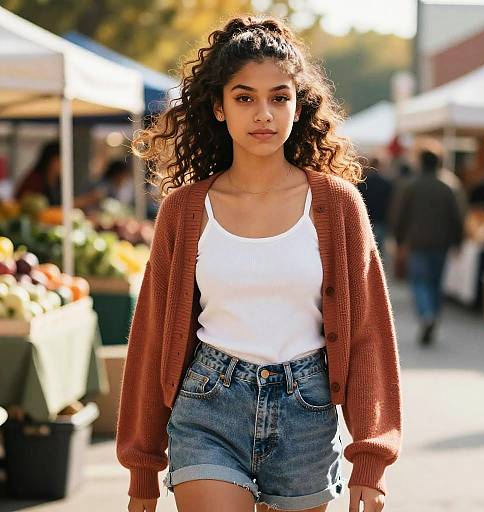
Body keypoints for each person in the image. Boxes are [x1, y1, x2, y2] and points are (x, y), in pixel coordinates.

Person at [116, 15, 402, 512]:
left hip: (307, 414)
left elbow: (369, 331)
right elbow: (153, 333)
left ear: (298, 105)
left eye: (279, 97)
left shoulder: (337, 205)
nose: (263, 113)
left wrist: (370, 460)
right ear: (220, 108)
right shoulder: (184, 210)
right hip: (208, 407)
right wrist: (143, 468)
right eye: (245, 97)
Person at [394, 150, 464, 347]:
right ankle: (432, 315)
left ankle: (426, 314)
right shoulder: (447, 187)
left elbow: (401, 217)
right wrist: (458, 242)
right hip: (441, 242)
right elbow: (456, 217)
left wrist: (399, 241)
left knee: (419, 281)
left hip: (417, 242)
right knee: (436, 282)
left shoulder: (411, 186)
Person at [15, 140, 106, 210]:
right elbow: (47, 209)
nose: (67, 164)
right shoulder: (35, 179)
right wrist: (86, 200)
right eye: (63, 159)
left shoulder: (57, 181)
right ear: (52, 160)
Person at [357, 158, 393, 260]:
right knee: (379, 249)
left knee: (365, 248)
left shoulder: (363, 182)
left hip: (366, 219)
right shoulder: (386, 183)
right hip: (381, 219)